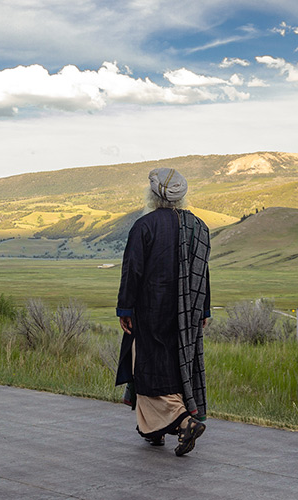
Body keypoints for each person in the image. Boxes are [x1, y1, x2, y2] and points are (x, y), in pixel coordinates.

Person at [115, 167, 211, 457]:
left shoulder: (144, 226)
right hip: (188, 312)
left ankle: (183, 422)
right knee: (174, 365)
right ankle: (153, 431)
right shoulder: (199, 227)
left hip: (151, 309)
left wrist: (125, 308)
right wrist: (203, 309)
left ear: (153, 194)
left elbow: (133, 270)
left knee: (146, 367)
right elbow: (203, 273)